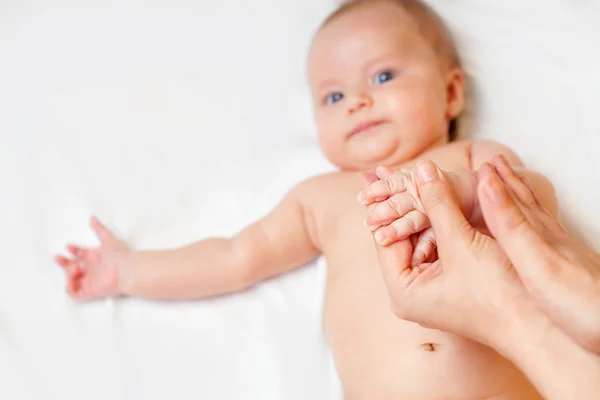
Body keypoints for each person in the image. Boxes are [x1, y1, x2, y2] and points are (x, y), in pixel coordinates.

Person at [54, 0, 556, 398]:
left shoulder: (470, 158)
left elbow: (536, 200)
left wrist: (459, 195)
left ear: (451, 94)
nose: (358, 100)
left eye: (383, 76)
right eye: (333, 97)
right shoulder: (321, 200)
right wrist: (131, 271)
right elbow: (235, 257)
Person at [359, 157, 600, 399]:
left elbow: (530, 194)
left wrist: (463, 191)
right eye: (326, 114)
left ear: (448, 115)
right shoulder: (325, 191)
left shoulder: (468, 152)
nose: (358, 115)